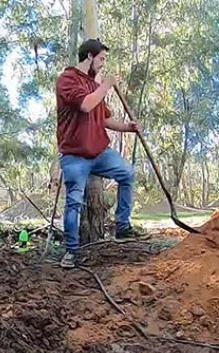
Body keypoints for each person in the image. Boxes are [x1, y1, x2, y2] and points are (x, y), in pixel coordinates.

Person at [55, 39, 146, 269]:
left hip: (99, 152)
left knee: (128, 173)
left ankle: (122, 227)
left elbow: (102, 117)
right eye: (102, 58)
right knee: (74, 202)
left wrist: (128, 127)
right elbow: (85, 106)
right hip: (75, 155)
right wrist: (106, 84)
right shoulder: (68, 80)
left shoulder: (94, 85)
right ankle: (71, 252)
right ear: (89, 57)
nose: (104, 64)